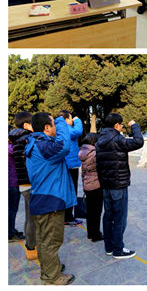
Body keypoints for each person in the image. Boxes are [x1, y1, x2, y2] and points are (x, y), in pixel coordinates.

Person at [25, 112, 77, 284]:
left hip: (42, 198)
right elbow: (64, 146)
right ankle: (52, 277)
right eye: (54, 123)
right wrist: (62, 119)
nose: (57, 126)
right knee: (51, 241)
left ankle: (50, 268)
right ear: (47, 127)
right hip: (50, 201)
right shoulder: (44, 146)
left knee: (43, 240)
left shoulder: (36, 143)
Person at [96, 113, 143, 259]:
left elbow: (98, 164)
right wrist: (134, 126)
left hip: (106, 185)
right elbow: (138, 141)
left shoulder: (99, 140)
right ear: (116, 125)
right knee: (119, 218)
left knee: (108, 216)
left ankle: (109, 247)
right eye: (121, 124)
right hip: (118, 184)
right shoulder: (117, 139)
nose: (122, 127)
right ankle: (118, 249)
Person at [9, 112, 38, 259]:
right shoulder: (26, 139)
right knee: (33, 218)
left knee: (29, 216)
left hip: (23, 182)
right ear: (26, 125)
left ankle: (31, 245)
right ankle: (32, 246)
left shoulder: (16, 139)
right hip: (30, 182)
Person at [59, 111, 83, 228]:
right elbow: (77, 131)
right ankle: (67, 217)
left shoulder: (60, 128)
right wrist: (77, 120)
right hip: (70, 165)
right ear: (66, 119)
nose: (72, 121)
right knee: (71, 190)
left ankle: (67, 216)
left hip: (67, 164)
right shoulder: (64, 128)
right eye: (70, 118)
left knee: (68, 190)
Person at [78, 133, 103, 242]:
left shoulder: (82, 152)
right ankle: (96, 235)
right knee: (96, 212)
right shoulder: (95, 154)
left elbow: (83, 172)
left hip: (87, 184)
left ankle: (90, 233)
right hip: (96, 185)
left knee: (90, 211)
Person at [9, 137, 25, 242]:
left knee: (12, 209)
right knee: (11, 209)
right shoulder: (10, 148)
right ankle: (10, 233)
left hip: (12, 182)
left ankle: (11, 230)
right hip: (11, 182)